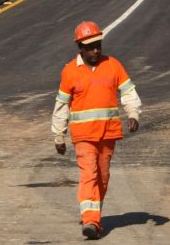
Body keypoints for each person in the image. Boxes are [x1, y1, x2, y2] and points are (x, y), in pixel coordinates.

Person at [51, 21, 142, 240]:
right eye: (90, 47)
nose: (96, 50)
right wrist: (59, 135)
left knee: (102, 176)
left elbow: (128, 92)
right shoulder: (70, 72)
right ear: (80, 48)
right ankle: (91, 221)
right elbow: (62, 105)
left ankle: (92, 214)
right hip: (83, 136)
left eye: (98, 45)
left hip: (108, 133)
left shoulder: (113, 65)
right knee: (88, 174)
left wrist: (133, 114)